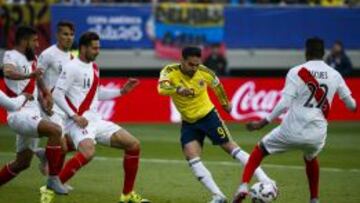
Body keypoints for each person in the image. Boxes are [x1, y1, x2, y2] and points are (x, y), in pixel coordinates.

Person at [232, 37, 357, 203]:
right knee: (311, 157)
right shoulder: (335, 74)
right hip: (317, 134)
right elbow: (351, 105)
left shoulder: (297, 71)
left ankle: (243, 186)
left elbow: (284, 103)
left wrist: (263, 122)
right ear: (323, 53)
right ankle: (314, 199)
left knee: (260, 149)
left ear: (306, 52)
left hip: (291, 130)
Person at [40, 31, 149, 203]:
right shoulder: (72, 67)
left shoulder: (95, 68)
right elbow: (58, 94)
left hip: (95, 120)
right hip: (77, 122)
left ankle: (127, 195)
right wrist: (74, 116)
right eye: (94, 48)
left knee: (133, 145)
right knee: (88, 152)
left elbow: (97, 93)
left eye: (99, 48)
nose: (98, 51)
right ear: (83, 48)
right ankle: (50, 186)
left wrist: (121, 91)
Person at [157, 47, 273, 203]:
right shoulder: (169, 71)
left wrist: (225, 103)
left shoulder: (205, 72)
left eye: (197, 65)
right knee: (191, 156)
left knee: (231, 148)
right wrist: (178, 89)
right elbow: (161, 88)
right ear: (182, 61)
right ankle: (218, 196)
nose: (194, 68)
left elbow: (217, 85)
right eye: (191, 64)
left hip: (208, 116)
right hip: (189, 122)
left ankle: (265, 179)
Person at [0, 26, 68, 194]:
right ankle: (52, 179)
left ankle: (44, 155)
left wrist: (46, 95)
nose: (37, 44)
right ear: (24, 41)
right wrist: (27, 76)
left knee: (22, 163)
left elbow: (37, 80)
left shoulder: (33, 59)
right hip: (18, 114)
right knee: (55, 131)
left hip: (33, 113)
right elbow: (8, 72)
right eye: (34, 41)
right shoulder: (11, 55)